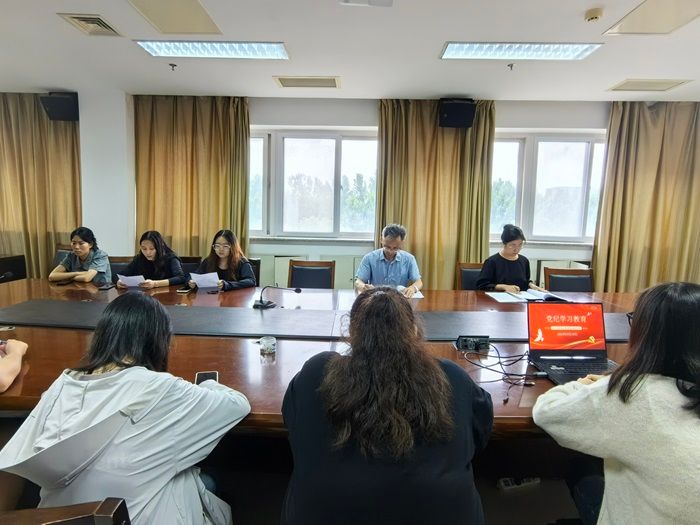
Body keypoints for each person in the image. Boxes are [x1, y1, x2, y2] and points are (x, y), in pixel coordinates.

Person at [0, 293, 251, 524]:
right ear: (159, 341)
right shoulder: (162, 389)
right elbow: (237, 405)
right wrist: (207, 384)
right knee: (205, 478)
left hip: (62, 518)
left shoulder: (62, 384)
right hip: (133, 518)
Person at [282, 287, 493, 525]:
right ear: (414, 331)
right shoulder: (451, 377)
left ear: (351, 332)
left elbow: (291, 421)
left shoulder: (316, 374)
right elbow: (482, 429)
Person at [533, 282, 700, 525]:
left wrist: (587, 384)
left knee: (583, 467)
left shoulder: (631, 393)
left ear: (646, 334)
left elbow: (546, 412)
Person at [355, 224, 423, 298]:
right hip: (376, 299)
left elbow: (419, 282)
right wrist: (363, 286)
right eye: (387, 247)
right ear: (381, 240)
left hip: (398, 300)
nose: (390, 251)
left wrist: (413, 288)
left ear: (402, 243)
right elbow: (358, 281)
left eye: (395, 248)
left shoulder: (409, 259)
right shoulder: (369, 258)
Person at [476, 224, 545, 293]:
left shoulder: (524, 261)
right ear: (504, 243)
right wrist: (504, 287)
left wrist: (533, 286)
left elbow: (525, 281)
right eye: (512, 245)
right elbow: (482, 285)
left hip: (520, 298)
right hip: (499, 298)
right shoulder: (492, 261)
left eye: (520, 244)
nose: (517, 249)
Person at [189, 230, 255, 291]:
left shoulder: (241, 262)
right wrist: (191, 281)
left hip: (235, 297)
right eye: (217, 246)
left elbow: (251, 281)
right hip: (212, 298)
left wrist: (227, 285)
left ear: (233, 247)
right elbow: (194, 276)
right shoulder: (208, 261)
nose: (221, 249)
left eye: (225, 246)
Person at [116, 231, 186, 289]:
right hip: (144, 296)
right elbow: (118, 275)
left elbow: (181, 278)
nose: (147, 252)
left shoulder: (171, 258)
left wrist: (155, 283)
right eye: (144, 249)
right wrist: (118, 281)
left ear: (159, 248)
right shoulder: (140, 258)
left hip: (167, 295)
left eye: (151, 249)